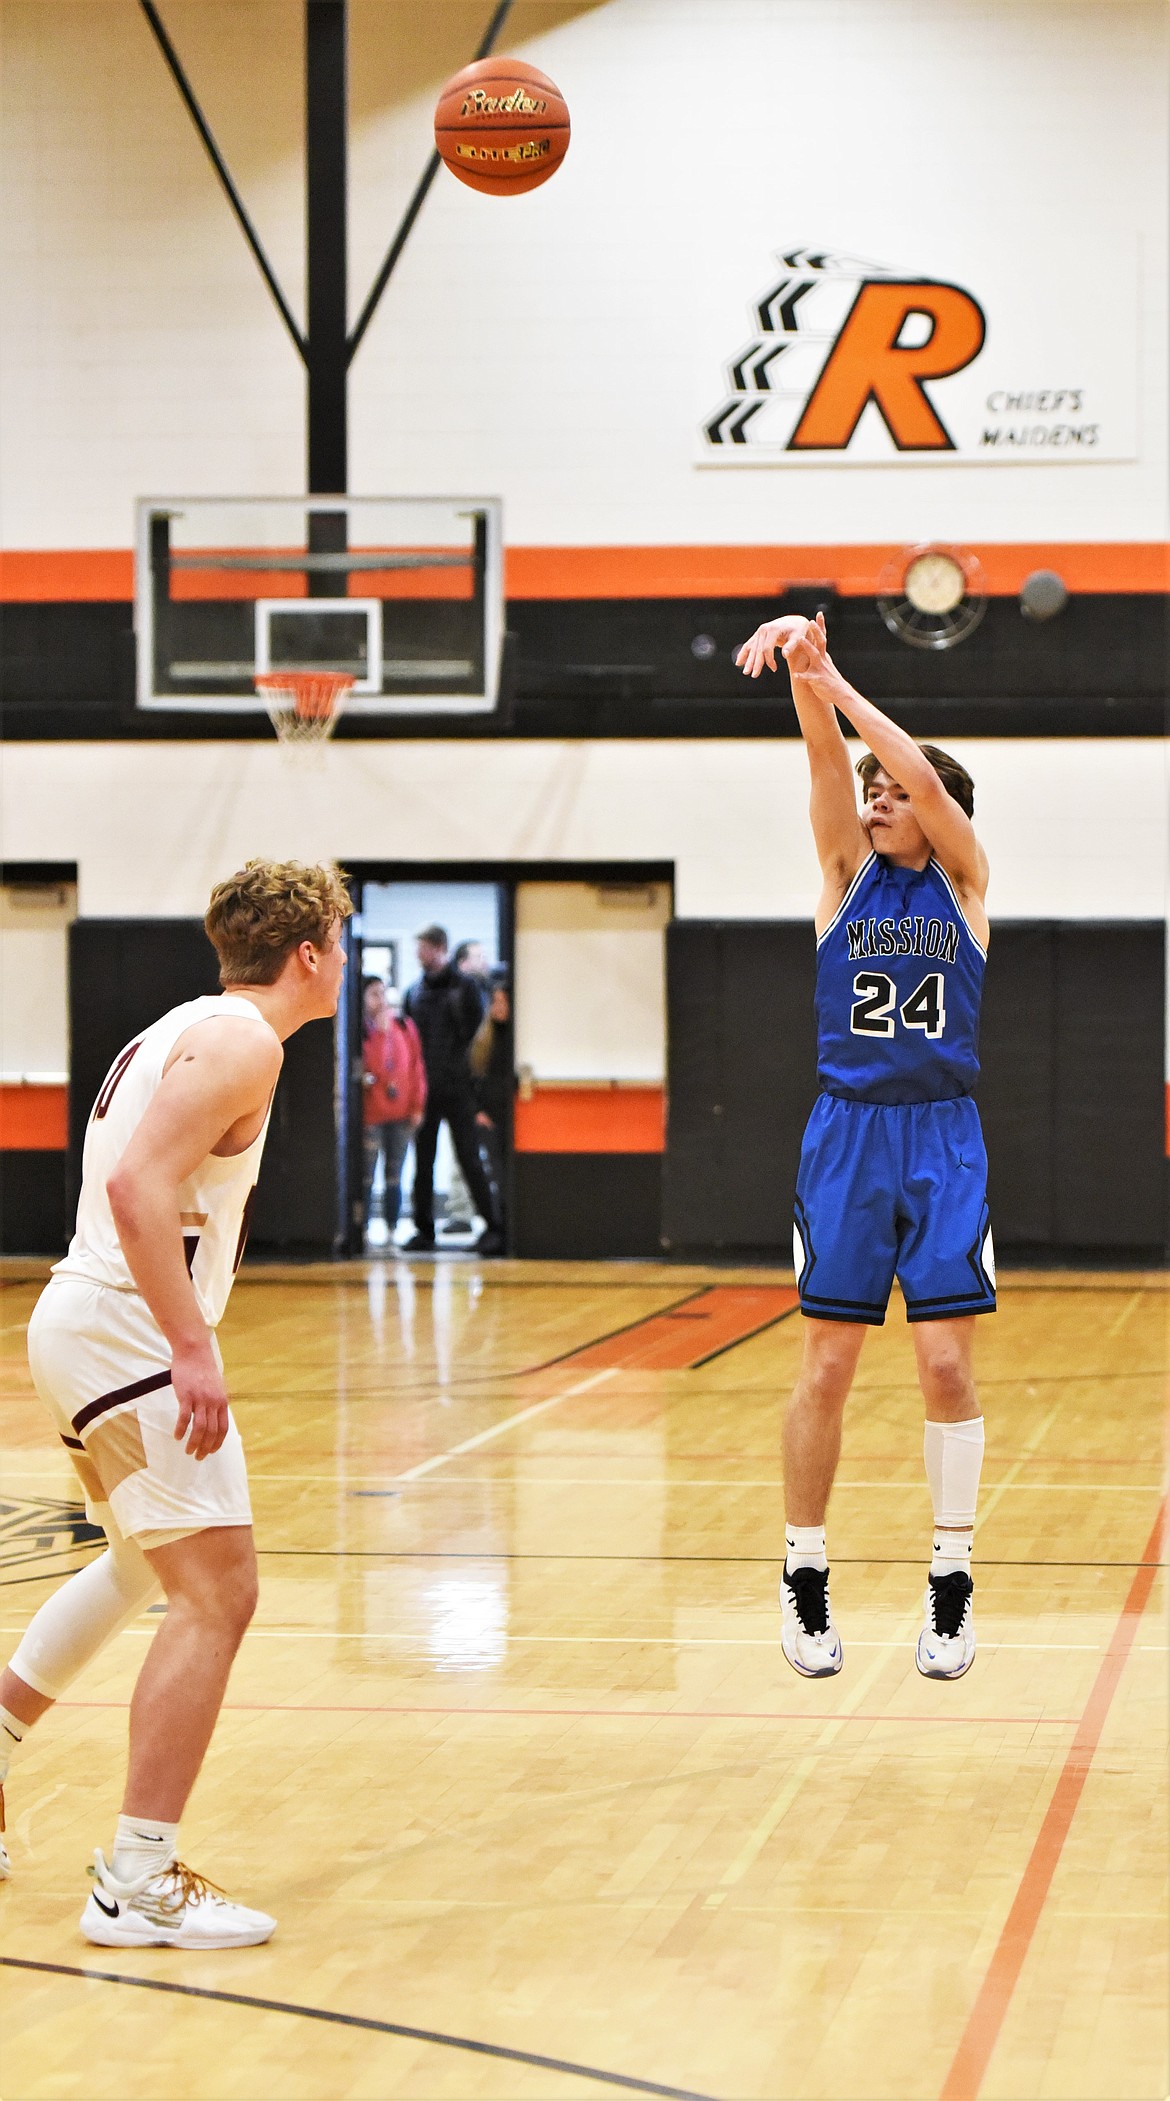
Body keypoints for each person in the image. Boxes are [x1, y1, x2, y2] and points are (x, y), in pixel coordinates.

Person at [0, 858, 352, 1944]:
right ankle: (138, 1877)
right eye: (338, 938)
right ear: (309, 952)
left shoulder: (192, 1025)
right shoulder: (243, 1040)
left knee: (139, 1559)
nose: (342, 957)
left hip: (87, 1320)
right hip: (125, 1329)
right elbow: (135, 1188)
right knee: (220, 1591)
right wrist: (191, 1347)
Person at [736, 612, 993, 1684]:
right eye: (874, 791)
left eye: (892, 792)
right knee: (828, 1364)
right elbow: (821, 760)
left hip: (942, 1136)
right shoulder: (844, 877)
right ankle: (804, 1571)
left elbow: (921, 786)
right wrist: (806, 668)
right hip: (846, 1135)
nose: (878, 799)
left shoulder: (964, 880)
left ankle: (951, 1580)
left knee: (942, 1360)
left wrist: (837, 677)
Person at [401, 926, 503, 1255]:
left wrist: (475, 1094)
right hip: (426, 1090)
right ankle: (423, 1230)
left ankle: (493, 1226)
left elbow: (478, 1040)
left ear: (440, 949)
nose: (419, 954)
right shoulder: (414, 992)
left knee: (470, 1159)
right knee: (423, 1164)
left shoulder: (467, 988)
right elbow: (411, 1043)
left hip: (459, 1089)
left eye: (424, 948)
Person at [361, 977, 425, 1239]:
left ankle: (391, 1229)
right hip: (371, 1114)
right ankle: (362, 1229)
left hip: (401, 1113)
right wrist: (378, 1031)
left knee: (395, 1174)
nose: (381, 1000)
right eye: (374, 994)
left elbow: (417, 1068)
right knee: (367, 1173)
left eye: (383, 993)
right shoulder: (361, 1030)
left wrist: (418, 1106)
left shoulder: (404, 1026)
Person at [471, 972, 513, 1230]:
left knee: (509, 1177)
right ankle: (496, 1228)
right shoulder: (484, 1038)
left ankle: (507, 1230)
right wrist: (478, 1111)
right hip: (488, 1118)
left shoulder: (517, 1040)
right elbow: (474, 1078)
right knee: (495, 1176)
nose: (498, 1006)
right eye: (494, 1001)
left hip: (511, 1117)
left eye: (503, 1001)